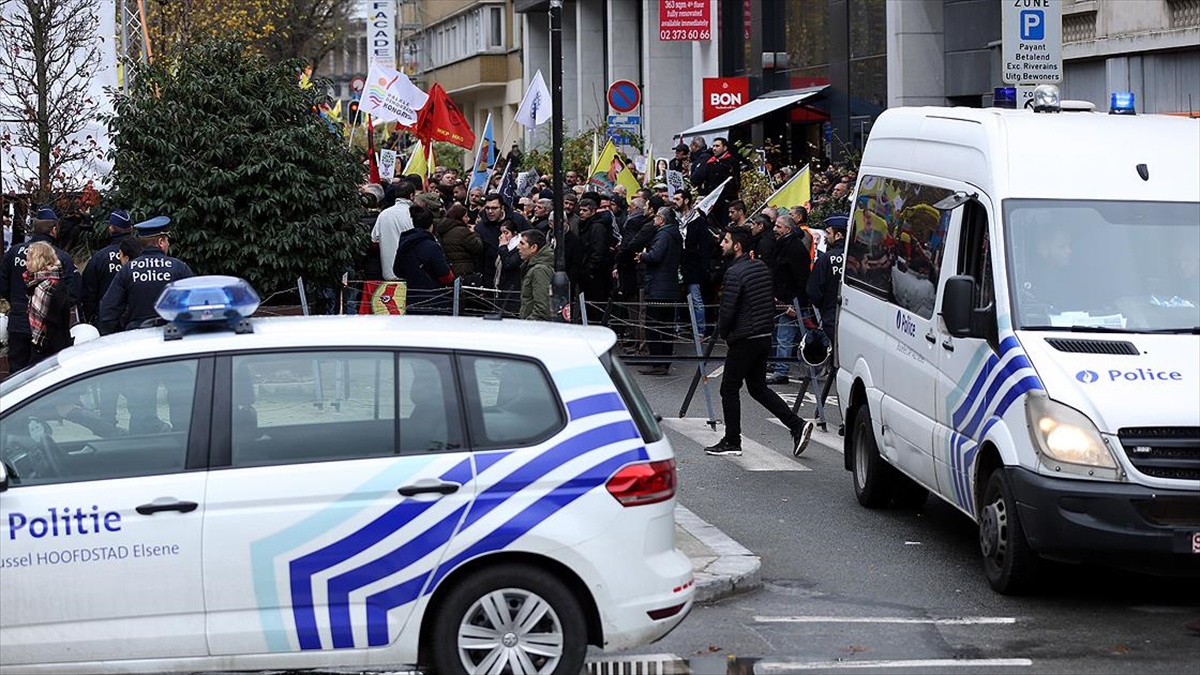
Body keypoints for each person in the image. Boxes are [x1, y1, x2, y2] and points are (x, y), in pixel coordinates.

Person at [705, 228, 808, 457]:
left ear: (738, 246)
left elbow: (728, 309)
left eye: (726, 240)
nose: (722, 244)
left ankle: (732, 441)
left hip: (744, 338)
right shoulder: (761, 267)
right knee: (758, 388)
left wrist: (725, 333)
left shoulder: (734, 273)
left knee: (728, 388)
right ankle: (796, 425)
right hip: (763, 336)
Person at [0, 209, 81, 371]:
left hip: (19, 324)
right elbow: (73, 293)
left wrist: (18, 304)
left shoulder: (13, 252)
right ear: (54, 229)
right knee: (48, 376)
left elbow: (3, 286)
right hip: (49, 330)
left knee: (17, 376)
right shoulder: (60, 257)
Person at [98, 216, 194, 334]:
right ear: (161, 242)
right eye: (167, 240)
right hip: (173, 335)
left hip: (137, 338)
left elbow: (108, 311)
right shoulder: (179, 268)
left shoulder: (127, 270)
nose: (168, 244)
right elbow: (194, 304)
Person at [804, 214, 848, 433]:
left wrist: (824, 309)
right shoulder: (860, 258)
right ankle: (847, 418)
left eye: (828, 234)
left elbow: (813, 291)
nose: (826, 238)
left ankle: (844, 420)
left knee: (837, 370)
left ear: (838, 234)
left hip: (832, 319)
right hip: (857, 322)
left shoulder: (826, 259)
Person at [636, 207, 683, 376]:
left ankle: (657, 362)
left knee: (654, 326)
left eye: (656, 217)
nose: (654, 220)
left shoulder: (663, 235)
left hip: (658, 287)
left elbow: (655, 256)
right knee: (666, 327)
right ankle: (664, 361)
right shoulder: (675, 234)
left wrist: (642, 256)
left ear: (662, 220)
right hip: (669, 286)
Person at [766, 214, 812, 386]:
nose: (774, 229)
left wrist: (795, 304)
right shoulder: (783, 245)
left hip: (791, 302)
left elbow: (801, 279)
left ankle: (781, 371)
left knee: (786, 337)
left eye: (778, 226)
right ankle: (808, 367)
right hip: (781, 300)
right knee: (789, 336)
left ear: (788, 229)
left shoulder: (795, 249)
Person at [392, 205, 455, 314]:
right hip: (434, 300)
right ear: (431, 226)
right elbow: (445, 276)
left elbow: (397, 270)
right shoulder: (432, 246)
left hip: (412, 298)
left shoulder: (405, 243)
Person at [23, 241, 74, 364]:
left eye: (29, 260)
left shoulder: (46, 287)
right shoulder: (48, 282)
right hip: (50, 346)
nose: (26, 264)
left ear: (38, 261)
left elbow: (51, 322)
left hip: (49, 349)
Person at [82, 209, 134, 325]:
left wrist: (92, 318)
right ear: (131, 228)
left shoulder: (99, 258)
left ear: (110, 228)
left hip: (106, 321)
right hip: (137, 320)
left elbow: (88, 294)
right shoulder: (141, 254)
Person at [372, 180, 415, 281]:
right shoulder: (414, 215)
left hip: (388, 273)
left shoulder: (383, 214)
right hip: (409, 273)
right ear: (412, 195)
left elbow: (374, 240)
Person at [435, 203, 483, 279]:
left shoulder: (443, 229)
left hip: (450, 270)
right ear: (459, 218)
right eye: (466, 217)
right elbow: (478, 247)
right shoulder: (463, 231)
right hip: (464, 271)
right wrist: (474, 233)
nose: (468, 219)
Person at [518, 229, 555, 321]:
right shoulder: (534, 267)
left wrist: (527, 325)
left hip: (533, 329)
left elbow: (542, 308)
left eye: (522, 244)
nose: (518, 247)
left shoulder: (539, 270)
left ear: (534, 247)